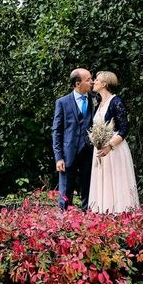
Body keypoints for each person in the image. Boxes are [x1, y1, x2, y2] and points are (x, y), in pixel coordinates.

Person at [88, 71, 139, 213]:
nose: (94, 82)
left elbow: (124, 129)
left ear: (104, 84)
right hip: (100, 149)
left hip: (114, 149)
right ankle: (103, 211)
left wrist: (109, 146)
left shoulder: (116, 102)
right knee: (102, 181)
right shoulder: (98, 102)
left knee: (117, 181)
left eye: (96, 80)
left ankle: (120, 212)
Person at [52, 68, 96, 210]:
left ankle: (87, 221)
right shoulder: (62, 102)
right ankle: (63, 221)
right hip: (68, 153)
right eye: (88, 79)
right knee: (65, 191)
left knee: (88, 188)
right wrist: (58, 157)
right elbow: (57, 131)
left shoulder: (96, 100)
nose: (92, 82)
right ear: (78, 83)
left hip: (89, 151)